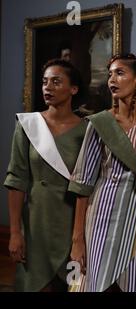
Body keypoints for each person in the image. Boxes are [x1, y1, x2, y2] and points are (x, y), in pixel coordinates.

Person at [68, 53, 136, 292]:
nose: (112, 79)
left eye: (120, 73)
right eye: (110, 74)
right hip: (102, 215)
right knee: (99, 283)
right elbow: (83, 183)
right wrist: (77, 239)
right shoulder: (99, 123)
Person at [4, 59, 87, 291]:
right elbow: (16, 180)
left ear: (73, 89)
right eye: (44, 82)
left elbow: (88, 184)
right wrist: (14, 233)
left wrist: (80, 238)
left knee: (71, 287)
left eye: (56, 82)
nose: (47, 87)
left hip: (72, 223)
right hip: (35, 224)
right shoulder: (28, 125)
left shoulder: (88, 130)